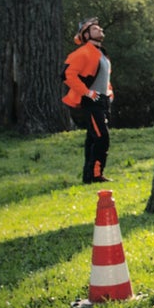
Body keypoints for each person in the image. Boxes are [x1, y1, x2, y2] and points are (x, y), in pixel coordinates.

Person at [62, 17, 114, 183]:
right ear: (85, 35)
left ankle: (88, 176)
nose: (99, 30)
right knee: (101, 137)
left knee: (93, 138)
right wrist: (87, 92)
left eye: (99, 28)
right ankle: (96, 175)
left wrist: (109, 92)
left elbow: (103, 77)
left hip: (103, 101)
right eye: (94, 29)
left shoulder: (102, 54)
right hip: (91, 103)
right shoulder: (83, 52)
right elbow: (67, 75)